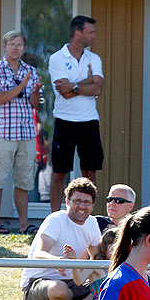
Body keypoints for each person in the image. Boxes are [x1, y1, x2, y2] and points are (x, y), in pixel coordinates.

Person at [0, 30, 42, 235]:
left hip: (26, 133)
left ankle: (24, 225)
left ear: (24, 48)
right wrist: (22, 87)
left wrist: (34, 92)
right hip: (3, 133)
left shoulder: (30, 71)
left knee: (24, 180)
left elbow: (34, 104)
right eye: (12, 44)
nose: (16, 48)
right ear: (4, 47)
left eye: (19, 45)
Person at [20, 177, 102, 300]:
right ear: (67, 202)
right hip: (39, 282)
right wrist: (58, 261)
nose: (82, 206)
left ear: (92, 205)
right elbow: (39, 253)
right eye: (77, 201)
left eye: (86, 202)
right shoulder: (56, 220)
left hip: (74, 283)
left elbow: (96, 257)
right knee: (60, 290)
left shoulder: (92, 223)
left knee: (105, 287)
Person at [48, 15, 104, 212]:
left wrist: (74, 86)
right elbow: (64, 93)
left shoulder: (94, 58)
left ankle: (88, 215)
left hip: (89, 121)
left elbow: (98, 89)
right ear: (77, 33)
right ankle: (54, 216)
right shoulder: (57, 58)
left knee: (90, 171)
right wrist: (86, 82)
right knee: (59, 173)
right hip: (64, 121)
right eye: (90, 32)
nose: (94, 36)